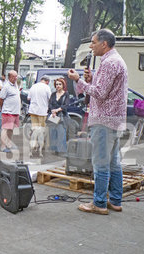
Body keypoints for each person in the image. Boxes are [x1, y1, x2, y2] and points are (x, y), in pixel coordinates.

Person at [68, 29, 127, 215]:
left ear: (104, 43)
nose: (91, 46)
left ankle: (99, 203)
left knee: (101, 163)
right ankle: (115, 200)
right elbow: (105, 89)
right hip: (115, 119)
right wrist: (91, 80)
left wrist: (79, 80)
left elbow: (100, 94)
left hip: (104, 120)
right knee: (113, 163)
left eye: (93, 42)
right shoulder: (115, 60)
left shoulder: (109, 63)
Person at [0, 70, 21, 153]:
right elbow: (1, 99)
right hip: (8, 111)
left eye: (16, 76)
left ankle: (8, 144)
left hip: (15, 111)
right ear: (9, 77)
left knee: (11, 129)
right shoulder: (6, 86)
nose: (16, 78)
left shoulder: (15, 85)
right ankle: (3, 146)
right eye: (14, 77)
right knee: (5, 129)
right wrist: (2, 108)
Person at [48, 78, 70, 154]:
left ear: (63, 85)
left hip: (62, 116)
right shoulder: (53, 94)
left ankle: (61, 151)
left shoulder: (66, 94)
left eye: (60, 84)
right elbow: (50, 104)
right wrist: (52, 111)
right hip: (53, 116)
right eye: (57, 84)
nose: (58, 86)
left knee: (61, 132)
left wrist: (57, 110)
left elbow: (66, 105)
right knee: (53, 132)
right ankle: (54, 150)